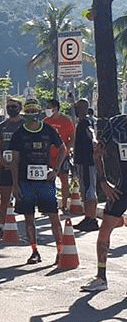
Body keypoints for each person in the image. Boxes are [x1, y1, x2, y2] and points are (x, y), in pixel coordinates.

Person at [8, 99, 66, 264]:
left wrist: (55, 169)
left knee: (54, 216)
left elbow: (62, 148)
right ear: (25, 114)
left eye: (35, 111)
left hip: (45, 181)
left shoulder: (48, 130)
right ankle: (34, 251)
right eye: (29, 111)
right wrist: (14, 185)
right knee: (28, 218)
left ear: (39, 113)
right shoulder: (19, 134)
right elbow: (14, 161)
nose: (32, 115)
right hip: (25, 182)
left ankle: (60, 251)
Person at [80, 113, 127, 292]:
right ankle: (101, 277)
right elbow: (97, 151)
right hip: (122, 187)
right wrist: (102, 181)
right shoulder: (117, 123)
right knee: (105, 228)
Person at [0, 97, 25, 241]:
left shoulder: (25, 124)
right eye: (9, 106)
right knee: (4, 198)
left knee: (25, 198)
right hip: (6, 166)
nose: (11, 109)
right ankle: (2, 226)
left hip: (22, 168)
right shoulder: (2, 126)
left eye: (14, 106)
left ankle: (29, 229)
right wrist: (2, 161)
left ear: (20, 108)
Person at [72, 99, 99, 231]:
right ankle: (88, 217)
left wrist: (93, 139)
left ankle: (91, 219)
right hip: (87, 161)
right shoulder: (93, 119)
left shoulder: (85, 122)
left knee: (88, 189)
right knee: (88, 189)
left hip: (86, 161)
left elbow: (91, 131)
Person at [44, 99, 75, 213]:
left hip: (62, 155)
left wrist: (66, 149)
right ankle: (48, 203)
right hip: (48, 155)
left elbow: (72, 138)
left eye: (48, 107)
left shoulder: (66, 120)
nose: (46, 110)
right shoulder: (46, 121)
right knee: (47, 178)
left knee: (64, 179)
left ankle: (64, 205)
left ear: (55, 108)